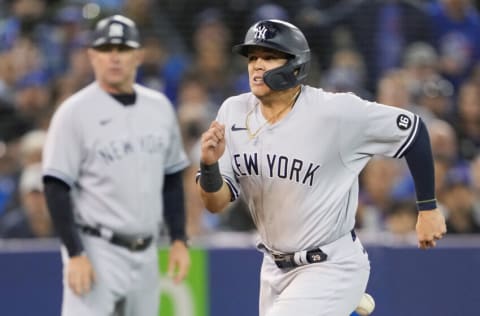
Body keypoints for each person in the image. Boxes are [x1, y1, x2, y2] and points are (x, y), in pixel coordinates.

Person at [196, 19, 447, 316]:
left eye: (269, 56)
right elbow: (215, 202)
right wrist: (209, 165)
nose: (257, 65)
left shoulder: (335, 112)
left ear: (296, 65)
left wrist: (428, 207)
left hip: (330, 264)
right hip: (273, 270)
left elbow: (413, 130)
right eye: (252, 57)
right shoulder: (232, 110)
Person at [42, 15, 190, 316]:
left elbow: (172, 178)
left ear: (138, 55)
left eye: (122, 49)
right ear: (92, 56)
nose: (114, 57)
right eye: (106, 48)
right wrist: (75, 254)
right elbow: (56, 186)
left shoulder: (159, 107)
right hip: (96, 248)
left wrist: (178, 239)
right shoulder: (73, 112)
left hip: (147, 251)